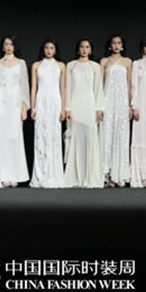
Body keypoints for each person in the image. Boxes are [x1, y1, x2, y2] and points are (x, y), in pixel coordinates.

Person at [63, 38, 104, 188]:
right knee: (76, 140)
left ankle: (89, 178)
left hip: (89, 106)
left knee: (89, 140)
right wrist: (67, 108)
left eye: (87, 47)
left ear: (90, 50)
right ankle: (75, 178)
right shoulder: (70, 65)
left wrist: (99, 108)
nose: (84, 50)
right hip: (75, 106)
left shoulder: (95, 66)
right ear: (78, 49)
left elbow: (98, 88)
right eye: (82, 47)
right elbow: (67, 88)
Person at [0, 35, 30, 187]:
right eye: (6, 44)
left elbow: (24, 86)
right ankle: (2, 175)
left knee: (15, 137)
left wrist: (24, 107)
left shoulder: (21, 63)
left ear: (14, 47)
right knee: (1, 138)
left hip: (15, 104)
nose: (8, 47)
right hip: (1, 103)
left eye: (11, 44)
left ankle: (15, 175)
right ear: (3, 47)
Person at [29, 37, 66, 188]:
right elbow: (33, 87)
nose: (49, 50)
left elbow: (62, 88)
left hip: (55, 103)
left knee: (54, 137)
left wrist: (63, 108)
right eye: (46, 48)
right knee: (40, 136)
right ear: (43, 50)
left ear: (55, 50)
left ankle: (54, 175)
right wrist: (32, 108)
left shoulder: (61, 66)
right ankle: (40, 175)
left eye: (51, 48)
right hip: (41, 102)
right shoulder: (36, 65)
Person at [100, 32, 132, 187]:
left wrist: (130, 105)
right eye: (114, 43)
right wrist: (99, 106)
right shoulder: (104, 61)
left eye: (119, 43)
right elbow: (100, 85)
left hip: (122, 103)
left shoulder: (127, 62)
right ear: (110, 45)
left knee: (121, 137)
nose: (116, 46)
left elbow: (129, 84)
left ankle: (119, 175)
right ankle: (108, 174)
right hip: (107, 102)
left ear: (122, 45)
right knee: (107, 136)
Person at [130, 37, 146, 188]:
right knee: (141, 138)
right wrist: (133, 106)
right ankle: (141, 175)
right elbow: (133, 86)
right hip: (141, 104)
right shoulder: (137, 64)